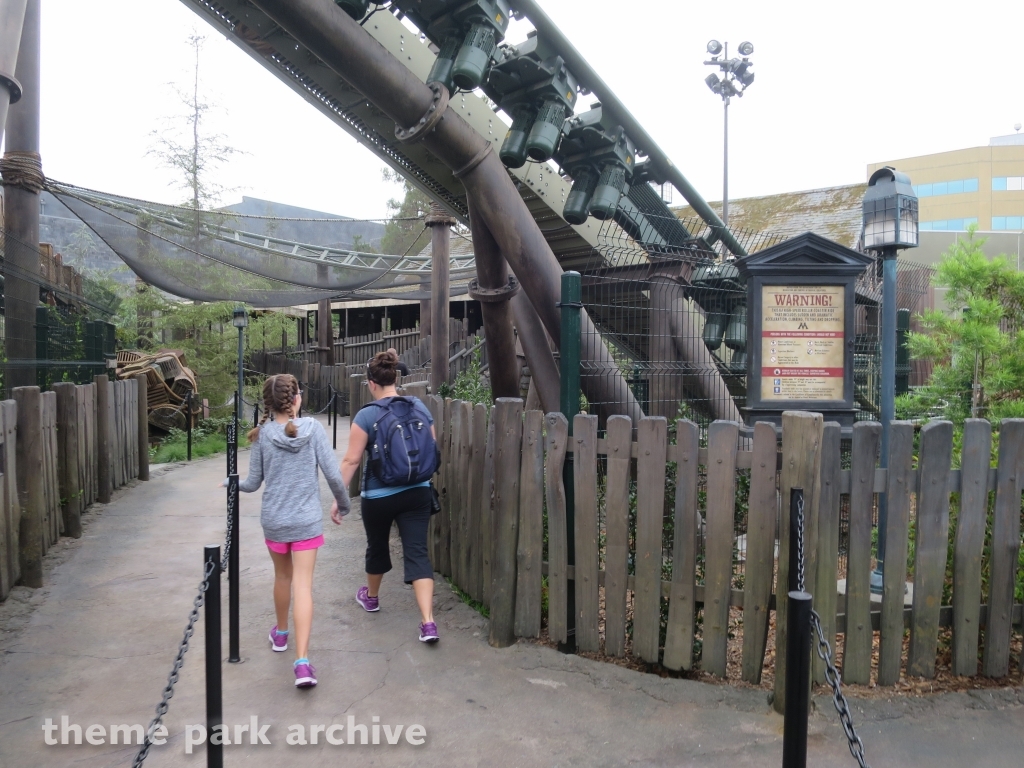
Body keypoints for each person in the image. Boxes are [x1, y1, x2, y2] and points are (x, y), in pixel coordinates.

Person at [236, 373, 349, 688]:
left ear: (269, 403)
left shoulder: (261, 436)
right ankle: (302, 663)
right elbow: (333, 476)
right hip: (305, 521)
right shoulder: (313, 431)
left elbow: (253, 482)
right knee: (303, 586)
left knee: (282, 577)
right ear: (297, 398)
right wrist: (344, 504)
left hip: (274, 520)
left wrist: (233, 484)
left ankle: (281, 633)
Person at [337, 349, 438, 643]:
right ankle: (428, 622)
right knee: (417, 552)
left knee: (377, 546)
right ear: (396, 378)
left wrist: (338, 498)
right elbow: (431, 445)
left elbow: (352, 461)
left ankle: (371, 597)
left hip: (378, 495)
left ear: (371, 383)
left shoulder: (367, 415)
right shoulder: (419, 405)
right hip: (418, 492)